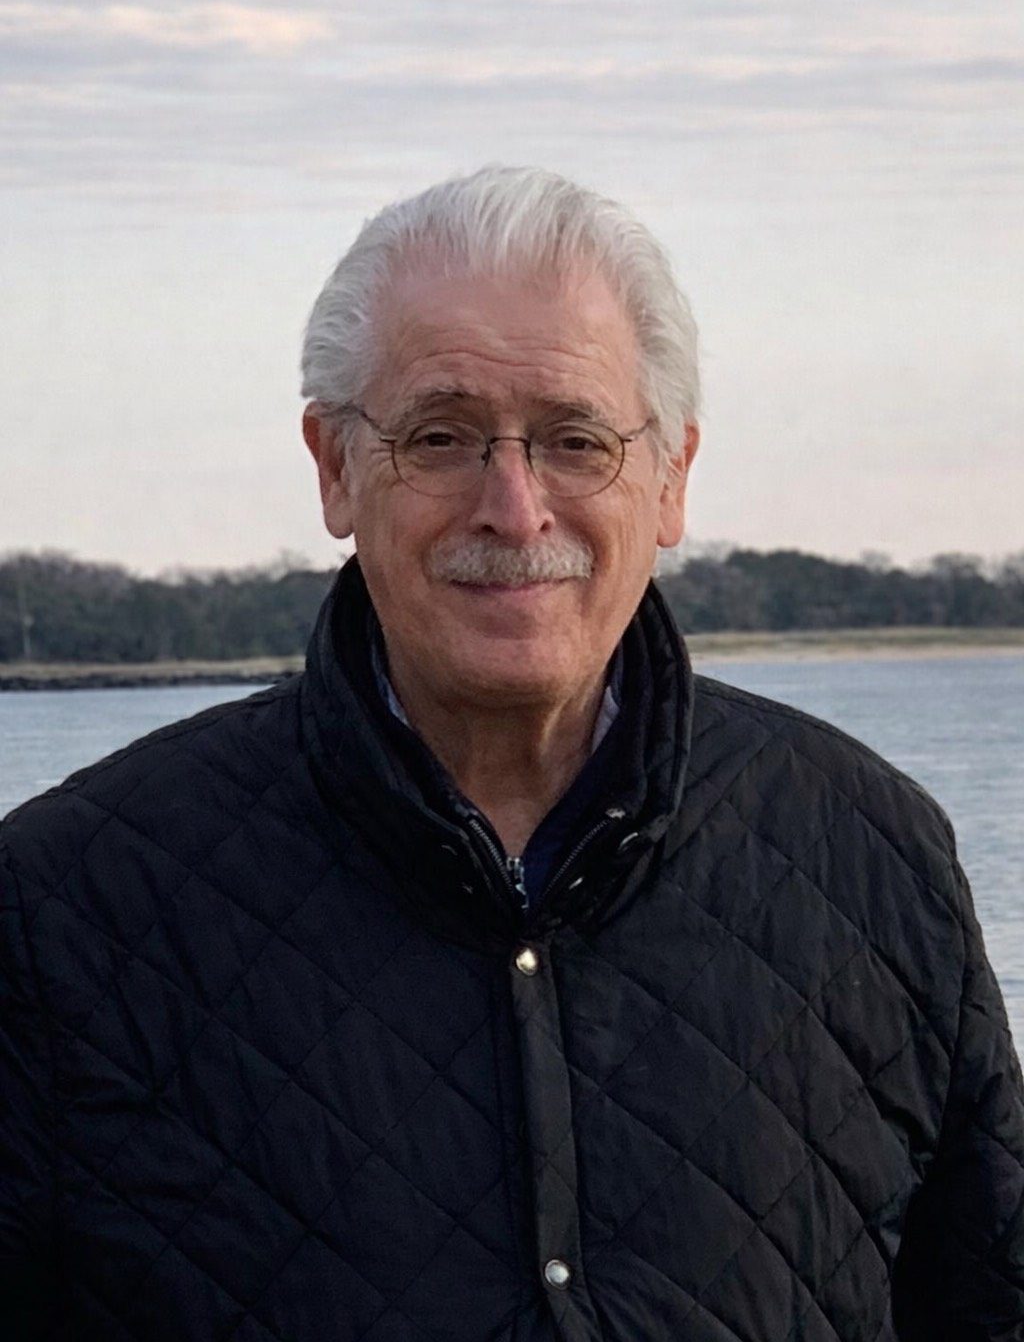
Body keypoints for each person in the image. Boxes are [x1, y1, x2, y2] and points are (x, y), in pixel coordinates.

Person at [1, 166, 1022, 1342]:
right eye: (441, 437)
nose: (515, 506)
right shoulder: (63, 910)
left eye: (575, 439)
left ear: (671, 477)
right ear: (334, 467)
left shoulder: (875, 857)